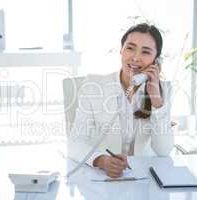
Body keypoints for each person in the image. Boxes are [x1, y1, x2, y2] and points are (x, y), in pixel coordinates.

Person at [68, 23, 174, 178]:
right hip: (102, 178)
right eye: (130, 48)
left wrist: (156, 98)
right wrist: (101, 160)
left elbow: (163, 150)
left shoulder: (163, 90)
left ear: (156, 61)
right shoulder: (94, 86)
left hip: (143, 177)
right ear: (121, 50)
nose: (136, 57)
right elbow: (75, 142)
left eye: (146, 52)